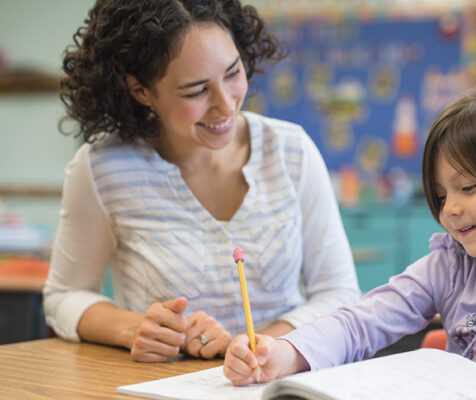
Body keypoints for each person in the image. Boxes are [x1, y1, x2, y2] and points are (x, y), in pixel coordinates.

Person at [224, 85, 476, 400]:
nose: (450, 209)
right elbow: (361, 323)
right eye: (439, 195)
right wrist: (285, 352)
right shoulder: (451, 265)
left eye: (468, 187)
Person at [43, 0, 360, 363]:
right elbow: (65, 295)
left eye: (232, 72)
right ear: (140, 90)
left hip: (279, 380)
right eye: (196, 91)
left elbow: (339, 292)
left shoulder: (291, 151)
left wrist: (261, 345)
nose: (226, 105)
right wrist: (132, 328)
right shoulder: (102, 169)